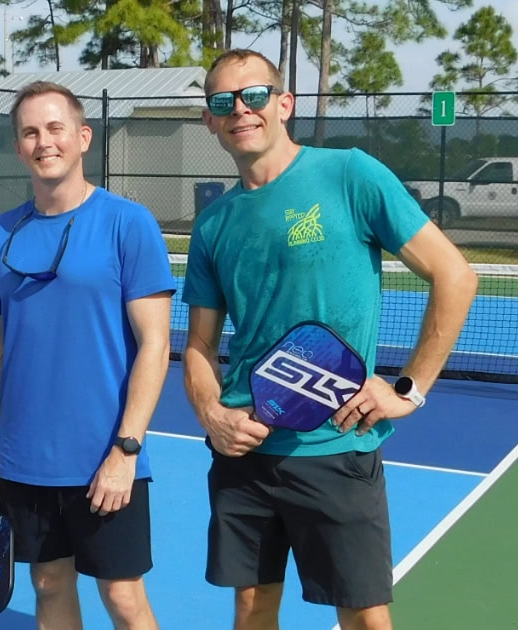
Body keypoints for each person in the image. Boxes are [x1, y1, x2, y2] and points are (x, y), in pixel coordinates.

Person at [182, 49, 478, 630]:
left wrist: (409, 389)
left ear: (284, 103)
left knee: (363, 614)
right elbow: (198, 346)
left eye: (255, 95)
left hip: (337, 448)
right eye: (223, 102)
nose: (241, 109)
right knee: (251, 605)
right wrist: (212, 412)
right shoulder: (213, 223)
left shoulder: (350, 174)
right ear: (211, 121)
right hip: (244, 453)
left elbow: (456, 275)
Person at [0, 80, 174, 630]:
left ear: (83, 137)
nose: (44, 142)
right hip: (24, 460)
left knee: (123, 596)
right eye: (30, 132)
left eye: (55, 128)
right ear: (18, 147)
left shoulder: (128, 224)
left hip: (106, 457)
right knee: (48, 584)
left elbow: (156, 346)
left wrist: (126, 450)